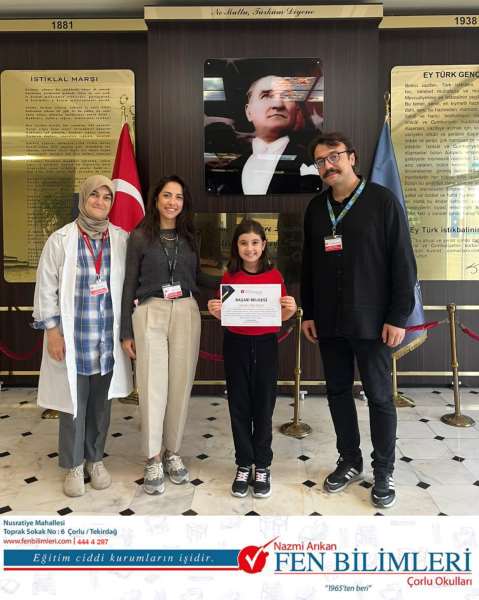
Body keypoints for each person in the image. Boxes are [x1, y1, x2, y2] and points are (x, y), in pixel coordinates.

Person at [300, 132, 417, 509]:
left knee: (379, 397)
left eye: (334, 156)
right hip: (329, 321)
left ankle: (384, 470)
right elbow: (308, 265)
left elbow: (403, 263)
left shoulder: (382, 201)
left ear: (351, 157)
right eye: (320, 161)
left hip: (373, 322)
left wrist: (398, 316)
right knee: (337, 393)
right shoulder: (316, 208)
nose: (328, 165)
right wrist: (309, 312)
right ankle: (350, 459)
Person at [33, 175, 133, 497]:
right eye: (94, 195)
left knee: (101, 406)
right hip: (73, 341)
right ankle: (74, 465)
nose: (100, 202)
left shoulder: (121, 239)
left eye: (107, 197)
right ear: (83, 198)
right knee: (73, 405)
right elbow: (46, 288)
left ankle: (95, 459)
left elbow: (129, 287)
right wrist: (52, 332)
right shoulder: (60, 239)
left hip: (106, 342)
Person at [121, 175, 203, 496]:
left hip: (185, 310)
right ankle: (152, 457)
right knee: (152, 386)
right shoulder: (140, 236)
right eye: (167, 195)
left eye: (178, 197)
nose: (172, 202)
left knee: (180, 385)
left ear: (184, 203)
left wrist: (239, 282)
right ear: (156, 199)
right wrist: (126, 330)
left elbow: (200, 277)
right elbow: (129, 283)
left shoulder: (190, 236)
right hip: (150, 311)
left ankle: (172, 451)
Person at [208, 219, 297, 498]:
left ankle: (263, 465)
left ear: (264, 245)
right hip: (235, 344)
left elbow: (282, 315)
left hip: (266, 345)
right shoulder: (229, 276)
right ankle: (244, 463)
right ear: (236, 246)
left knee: (264, 406)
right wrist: (216, 310)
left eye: (255, 242)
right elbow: (224, 314)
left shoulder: (274, 276)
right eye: (244, 243)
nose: (250, 248)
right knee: (239, 406)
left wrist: (291, 308)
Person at [206, 74, 319, 195]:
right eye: (266, 96)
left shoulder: (313, 163)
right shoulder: (230, 168)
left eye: (286, 96)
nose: (278, 104)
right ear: (249, 112)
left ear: (297, 111)